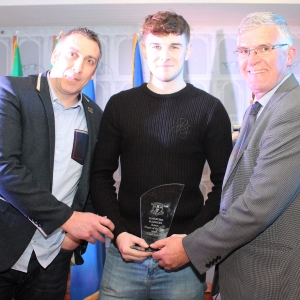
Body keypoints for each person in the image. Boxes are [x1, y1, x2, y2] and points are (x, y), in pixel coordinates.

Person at [151, 11, 300, 300]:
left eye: (264, 48)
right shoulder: (261, 106)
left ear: (290, 54)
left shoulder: (292, 110)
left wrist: (190, 247)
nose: (252, 59)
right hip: (241, 272)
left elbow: (259, 205)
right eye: (244, 50)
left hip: (269, 278)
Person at [90, 11, 232, 300]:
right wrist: (118, 232)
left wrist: (191, 240)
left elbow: (226, 185)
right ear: (144, 49)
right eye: (156, 46)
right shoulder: (119, 106)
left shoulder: (210, 109)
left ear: (188, 50)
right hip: (125, 253)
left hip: (183, 258)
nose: (164, 55)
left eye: (174, 46)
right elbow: (100, 175)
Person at [0, 28, 114, 300]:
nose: (78, 67)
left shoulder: (96, 116)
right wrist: (69, 219)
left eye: (89, 61)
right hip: (5, 245)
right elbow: (5, 169)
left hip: (54, 256)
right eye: (72, 54)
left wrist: (74, 240)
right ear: (55, 55)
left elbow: (91, 181)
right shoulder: (13, 91)